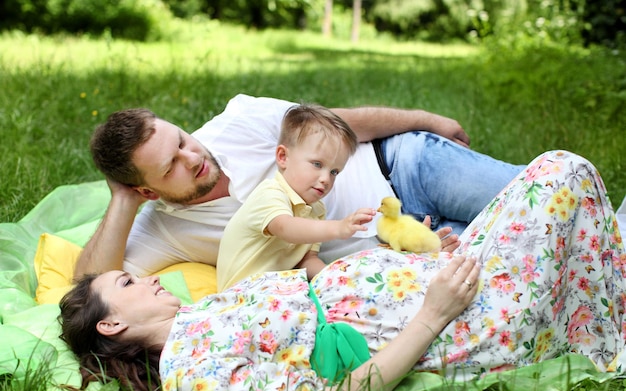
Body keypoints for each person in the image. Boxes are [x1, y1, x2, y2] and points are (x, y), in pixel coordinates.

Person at [60, 150, 626, 391]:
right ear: (112, 321)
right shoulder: (191, 371)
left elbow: (314, 285)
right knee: (561, 172)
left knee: (558, 188)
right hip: (458, 318)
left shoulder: (207, 310)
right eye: (129, 282)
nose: (150, 281)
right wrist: (433, 310)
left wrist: (406, 259)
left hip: (433, 278)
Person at [74, 94, 525, 279]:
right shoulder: (162, 229)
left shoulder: (238, 120)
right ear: (147, 192)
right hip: (408, 245)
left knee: (540, 196)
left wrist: (430, 120)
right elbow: (90, 283)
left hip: (404, 167)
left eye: (181, 141)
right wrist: (121, 199)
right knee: (519, 261)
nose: (192, 158)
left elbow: (342, 125)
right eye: (169, 166)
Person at [217, 103, 376, 289]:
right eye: (317, 164)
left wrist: (333, 279)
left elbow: (306, 260)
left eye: (334, 172)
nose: (326, 179)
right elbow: (285, 228)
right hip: (241, 295)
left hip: (277, 293)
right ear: (283, 157)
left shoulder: (316, 210)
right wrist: (338, 228)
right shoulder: (270, 194)